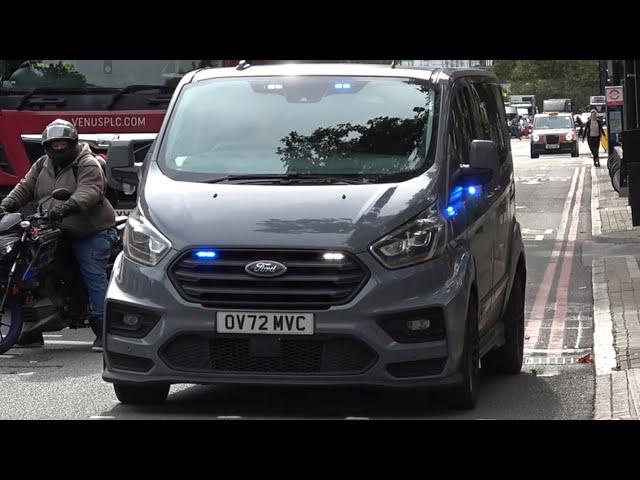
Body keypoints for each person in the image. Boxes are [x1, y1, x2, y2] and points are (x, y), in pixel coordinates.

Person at [0, 119, 116, 351]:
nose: (59, 148)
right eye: (54, 144)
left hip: (90, 229)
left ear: (72, 143)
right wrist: (7, 205)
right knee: (28, 265)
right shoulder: (43, 164)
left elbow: (90, 191)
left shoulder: (87, 162)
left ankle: (104, 328)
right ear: (46, 146)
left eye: (63, 144)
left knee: (91, 270)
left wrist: (67, 207)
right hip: (54, 228)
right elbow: (24, 187)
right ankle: (31, 326)